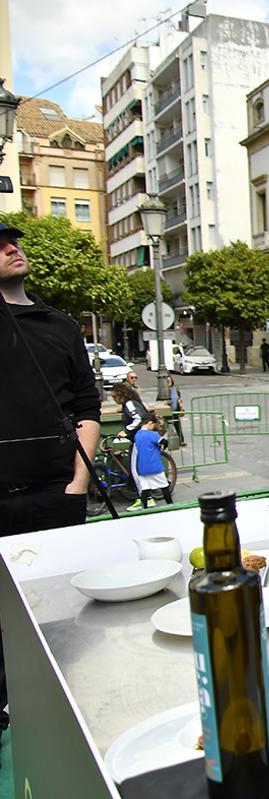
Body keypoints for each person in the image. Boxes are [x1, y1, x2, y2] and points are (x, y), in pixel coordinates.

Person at [0, 219, 101, 731]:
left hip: (55, 495)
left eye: (11, 240)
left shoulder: (59, 324)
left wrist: (76, 485)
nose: (11, 248)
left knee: (63, 615)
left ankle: (70, 713)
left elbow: (87, 404)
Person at [129, 415, 173, 509]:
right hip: (154, 466)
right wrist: (162, 448)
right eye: (153, 425)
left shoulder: (137, 435)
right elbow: (164, 442)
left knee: (145, 488)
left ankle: (144, 507)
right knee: (164, 486)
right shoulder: (152, 434)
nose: (153, 427)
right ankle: (170, 505)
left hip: (142, 468)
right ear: (150, 423)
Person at [166, 375, 186, 446]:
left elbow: (178, 398)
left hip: (175, 410)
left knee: (178, 425)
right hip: (167, 411)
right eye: (167, 381)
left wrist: (180, 403)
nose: (169, 382)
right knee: (166, 427)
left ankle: (181, 441)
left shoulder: (175, 389)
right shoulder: (164, 391)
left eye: (170, 381)